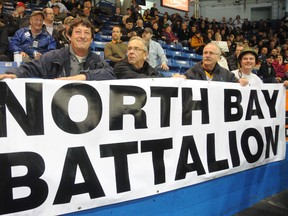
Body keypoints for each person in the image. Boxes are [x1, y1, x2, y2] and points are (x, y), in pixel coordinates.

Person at [1, 17, 115, 81]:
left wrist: (83, 77)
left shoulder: (97, 60)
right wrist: (14, 73)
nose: (82, 36)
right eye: (78, 32)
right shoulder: (54, 57)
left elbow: (110, 74)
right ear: (69, 36)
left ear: (91, 39)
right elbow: (32, 67)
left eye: (87, 33)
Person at [173, 43, 248, 86]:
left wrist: (241, 82)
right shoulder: (193, 71)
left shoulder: (226, 74)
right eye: (205, 53)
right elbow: (183, 80)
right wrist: (179, 78)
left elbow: (237, 83)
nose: (207, 55)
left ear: (218, 57)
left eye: (211, 53)